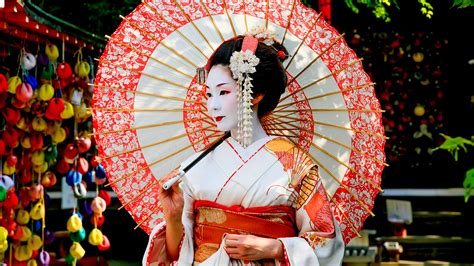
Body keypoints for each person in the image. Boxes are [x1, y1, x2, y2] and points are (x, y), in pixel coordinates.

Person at [142, 30, 345, 265]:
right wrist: (174, 218)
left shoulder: (296, 166)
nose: (213, 105)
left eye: (224, 92)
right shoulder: (192, 168)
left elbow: (325, 241)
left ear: (256, 94)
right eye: (209, 94)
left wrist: (276, 248)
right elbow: (176, 256)